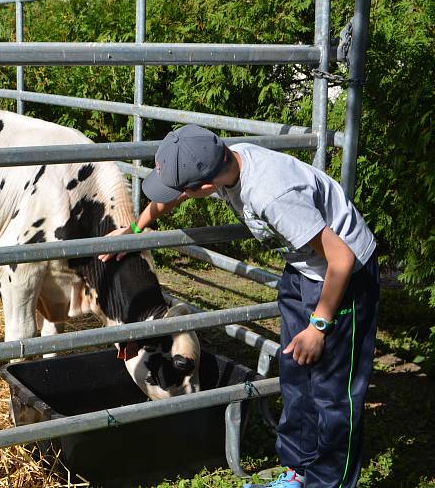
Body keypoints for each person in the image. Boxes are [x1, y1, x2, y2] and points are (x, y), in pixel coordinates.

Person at [100, 124, 380, 488]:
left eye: (182, 187)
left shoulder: (271, 195)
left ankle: (330, 482)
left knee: (332, 391)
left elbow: (341, 258)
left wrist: (319, 326)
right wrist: (135, 230)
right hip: (305, 269)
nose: (177, 195)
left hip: (344, 276)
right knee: (295, 373)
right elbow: (175, 197)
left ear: (204, 186)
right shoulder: (222, 160)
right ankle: (298, 472)